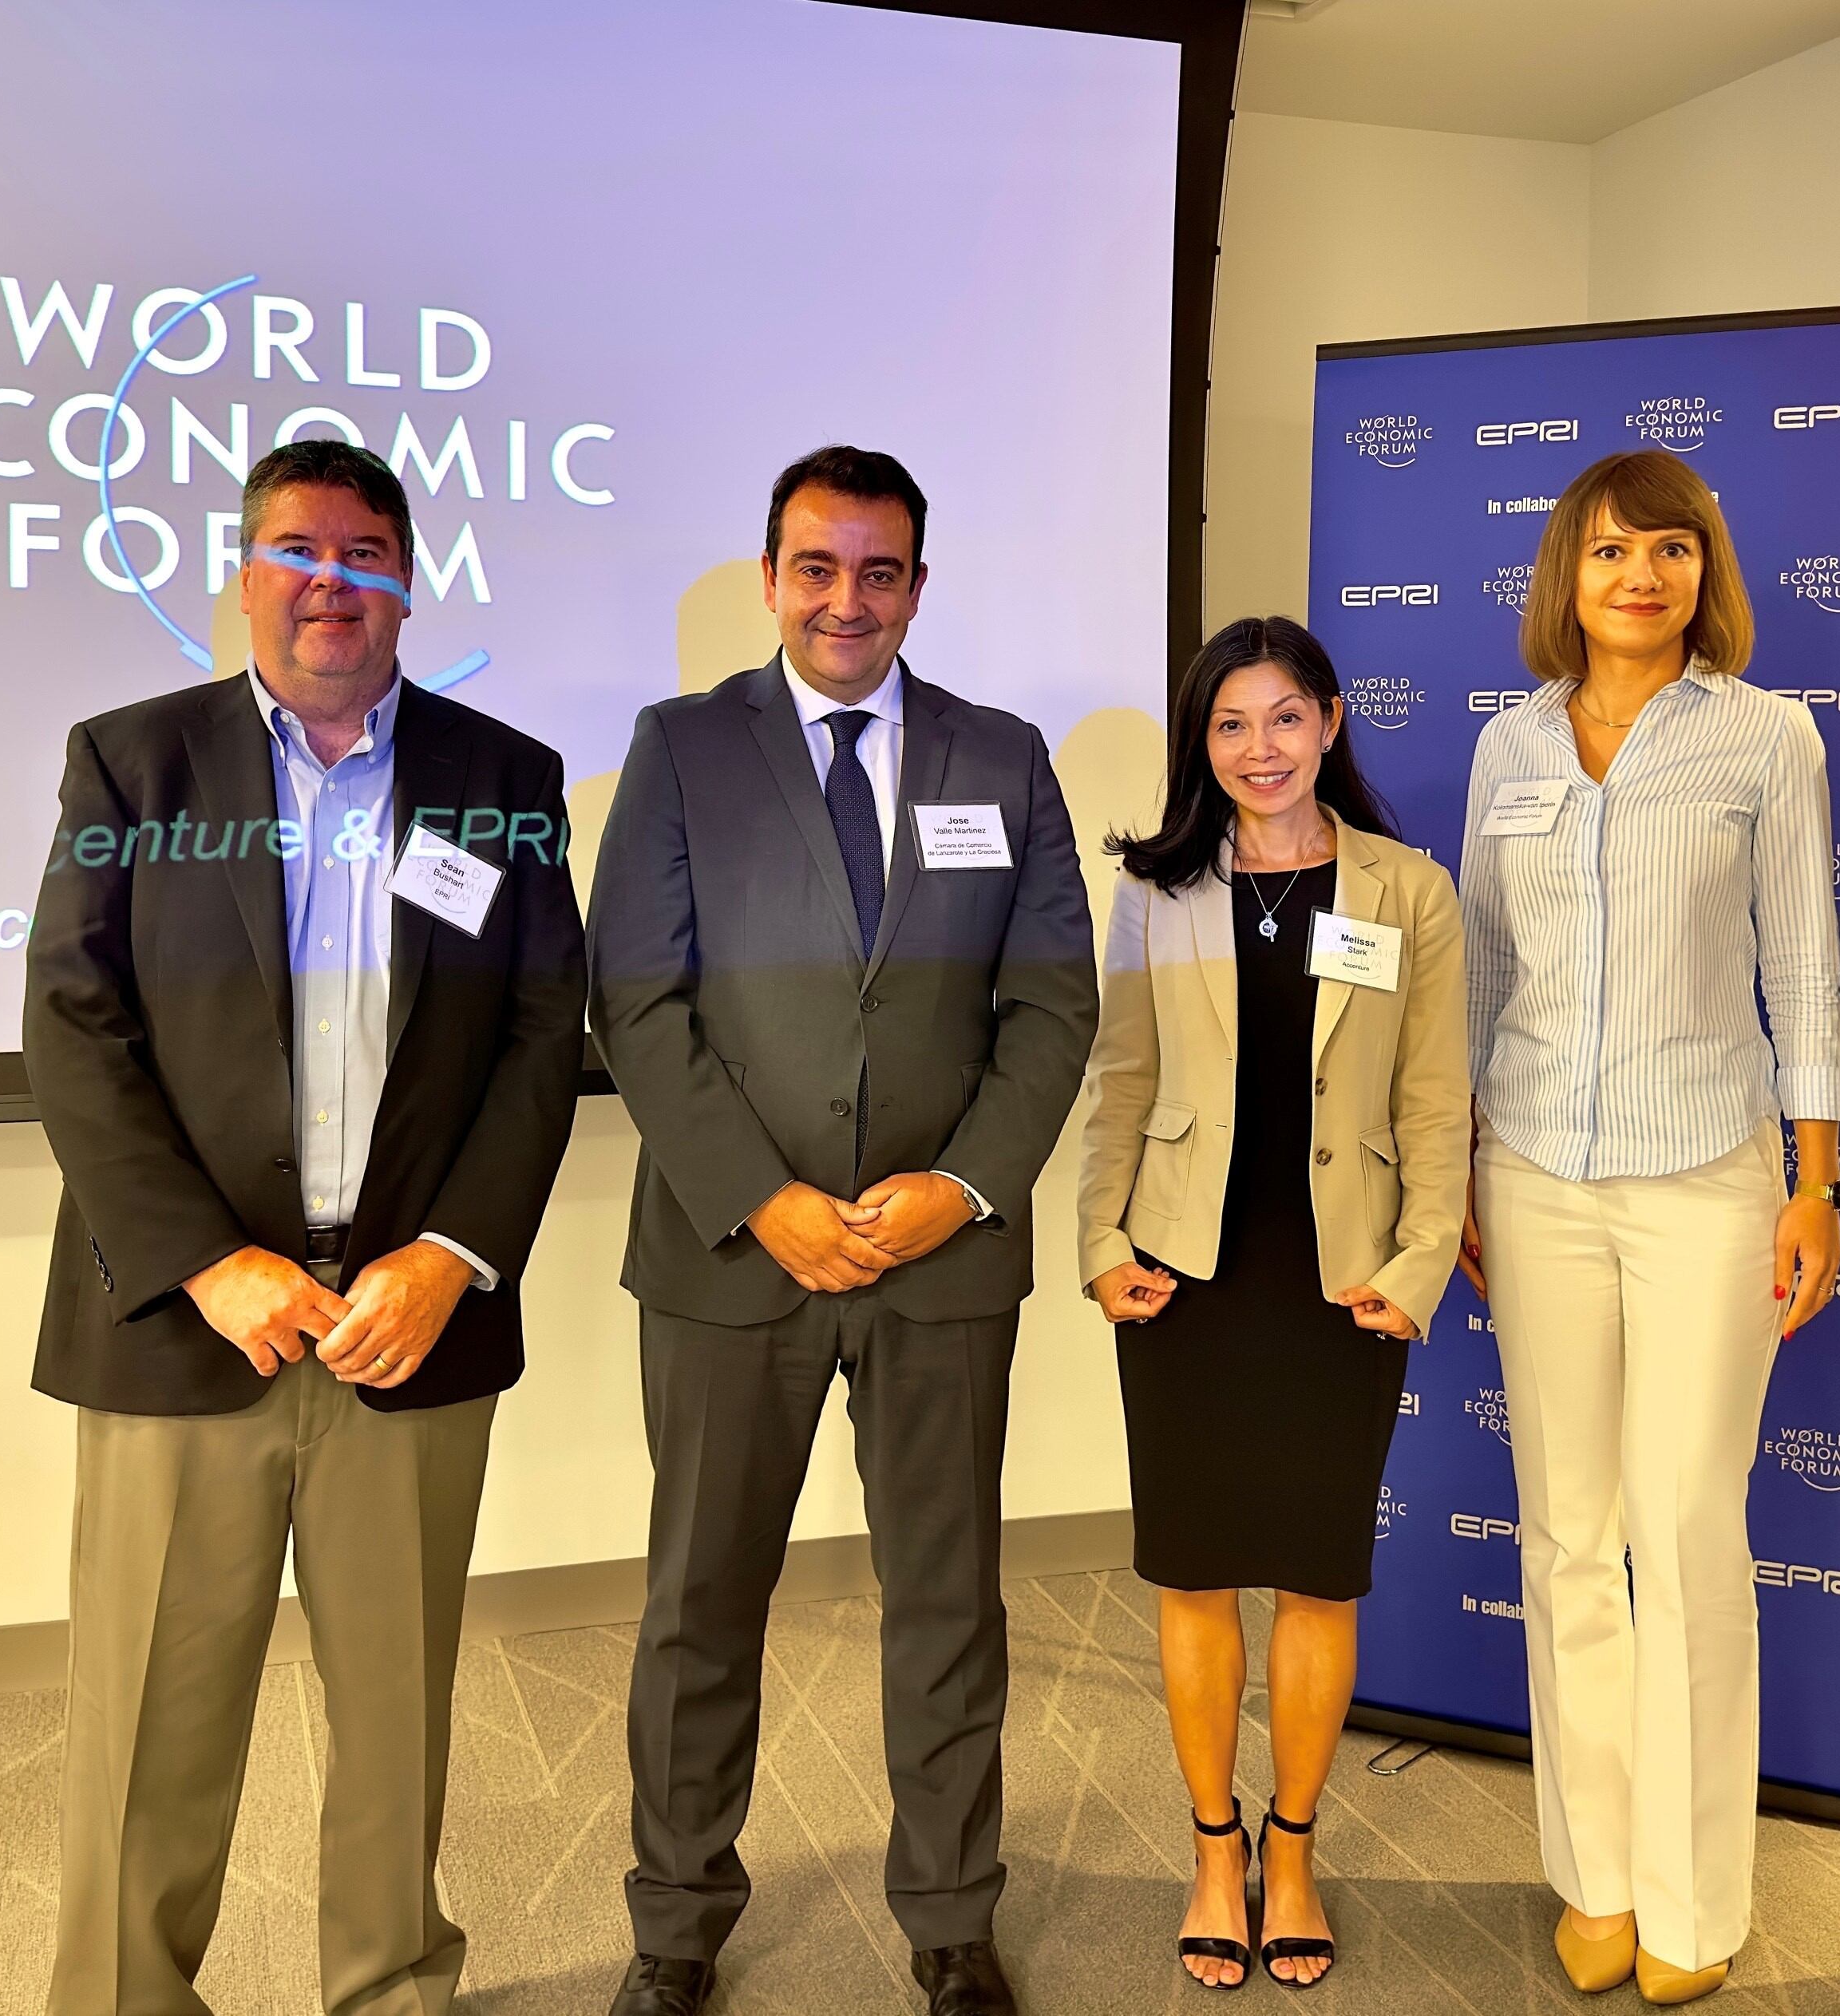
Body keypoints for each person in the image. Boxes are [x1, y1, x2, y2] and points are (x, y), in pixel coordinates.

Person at [24, 439, 587, 2016]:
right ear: (245, 570)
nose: (327, 583)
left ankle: (391, 1988)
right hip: (188, 1322)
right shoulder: (133, 766)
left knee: (395, 1719)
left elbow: (546, 1030)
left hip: (406, 1321)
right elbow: (74, 1026)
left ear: (407, 579)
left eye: (361, 553)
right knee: (151, 1722)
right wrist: (208, 1259)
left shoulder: (504, 781)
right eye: (293, 549)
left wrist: (448, 1253)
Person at [587, 446, 1097, 2016]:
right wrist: (764, 1197)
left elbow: (1054, 997)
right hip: (733, 1251)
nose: (845, 599)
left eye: (879, 572)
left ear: (918, 589)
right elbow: (636, 998)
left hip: (939, 1258)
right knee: (700, 1601)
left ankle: (951, 1918)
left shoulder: (1001, 758)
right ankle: (675, 1930)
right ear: (770, 579)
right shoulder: (682, 750)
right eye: (817, 567)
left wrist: (966, 1186)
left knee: (946, 1598)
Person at [1458, 449, 1840, 2006]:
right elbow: (1485, 978)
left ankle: (1696, 1897)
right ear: (1568, 572)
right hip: (1537, 1176)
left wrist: (1814, 1180)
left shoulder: (1765, 738)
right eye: (1612, 550)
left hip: (1707, 1175)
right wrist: (1475, 1163)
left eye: (1669, 551)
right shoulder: (1506, 748)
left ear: (1705, 572)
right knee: (1563, 1537)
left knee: (1682, 1528)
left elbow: (1803, 967)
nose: (1640, 576)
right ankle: (1596, 1877)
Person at [1075, 615, 1469, 1993]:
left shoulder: (1408, 889)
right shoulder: (1153, 890)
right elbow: (1120, 1082)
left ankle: (1290, 1846)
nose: (1260, 749)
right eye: (1231, 725)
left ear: (1332, 721)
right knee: (1191, 1570)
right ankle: (1209, 1843)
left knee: (1314, 1571)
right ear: (1205, 741)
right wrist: (1097, 1242)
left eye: (1285, 718)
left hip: (1339, 1275)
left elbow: (1433, 1097)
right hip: (1181, 1273)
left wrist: (1420, 1267)